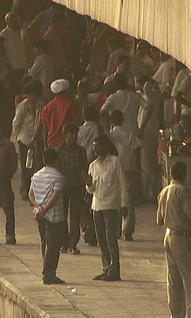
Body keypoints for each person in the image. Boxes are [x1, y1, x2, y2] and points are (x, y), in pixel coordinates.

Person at [156, 161, 191, 318]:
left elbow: (159, 220)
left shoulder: (164, 191)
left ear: (170, 174)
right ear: (185, 174)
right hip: (181, 238)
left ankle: (176, 315)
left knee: (174, 282)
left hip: (168, 235)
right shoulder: (181, 190)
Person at [82, 136, 128, 281]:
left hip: (111, 206)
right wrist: (88, 183)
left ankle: (114, 270)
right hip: (97, 206)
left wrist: (124, 204)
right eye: (94, 146)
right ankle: (106, 268)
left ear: (105, 147)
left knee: (111, 239)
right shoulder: (93, 165)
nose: (95, 149)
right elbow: (91, 190)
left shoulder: (115, 161)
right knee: (101, 239)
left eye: (98, 146)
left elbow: (123, 185)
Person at [29, 148, 67, 285]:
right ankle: (49, 274)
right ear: (57, 160)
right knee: (53, 246)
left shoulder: (36, 175)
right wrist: (44, 210)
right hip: (54, 217)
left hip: (40, 216)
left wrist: (38, 207)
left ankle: (47, 271)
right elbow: (55, 197)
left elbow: (30, 194)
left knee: (45, 243)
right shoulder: (58, 177)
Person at [108, 110, 141, 241]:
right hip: (129, 168)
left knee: (115, 198)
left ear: (111, 121)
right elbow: (137, 150)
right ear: (123, 120)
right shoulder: (130, 134)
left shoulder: (109, 135)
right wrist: (136, 165)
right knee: (129, 199)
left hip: (114, 169)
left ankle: (116, 230)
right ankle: (128, 230)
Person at [56, 124, 87, 254]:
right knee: (62, 216)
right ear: (65, 135)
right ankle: (63, 243)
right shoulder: (60, 150)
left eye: (75, 134)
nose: (74, 136)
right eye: (71, 133)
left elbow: (84, 168)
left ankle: (72, 244)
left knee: (75, 216)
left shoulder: (80, 151)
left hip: (75, 186)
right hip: (62, 186)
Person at [12, 80, 44, 201]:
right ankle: (25, 191)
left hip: (37, 140)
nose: (27, 97)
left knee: (37, 167)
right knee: (25, 167)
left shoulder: (41, 105)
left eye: (29, 95)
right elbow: (16, 123)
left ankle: (35, 191)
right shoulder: (23, 106)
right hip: (25, 139)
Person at [136, 74, 162, 203]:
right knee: (150, 164)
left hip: (147, 133)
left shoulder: (151, 96)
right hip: (148, 133)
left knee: (146, 165)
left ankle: (148, 194)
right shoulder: (142, 97)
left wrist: (148, 80)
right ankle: (152, 192)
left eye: (137, 83)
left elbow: (147, 88)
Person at [35, 79, 77, 148]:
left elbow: (45, 129)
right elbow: (76, 121)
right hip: (67, 143)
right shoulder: (70, 104)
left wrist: (45, 146)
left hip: (51, 142)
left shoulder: (46, 107)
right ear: (66, 91)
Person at [0, 12, 26, 82]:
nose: (15, 21)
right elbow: (2, 51)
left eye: (15, 19)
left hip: (21, 65)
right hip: (12, 66)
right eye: (12, 19)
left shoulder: (18, 32)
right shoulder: (4, 34)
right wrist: (7, 65)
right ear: (7, 21)